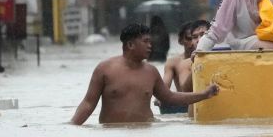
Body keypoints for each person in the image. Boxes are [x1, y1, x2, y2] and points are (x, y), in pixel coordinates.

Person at [70, 23, 219, 125]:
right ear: (130, 45)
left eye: (150, 41)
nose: (150, 45)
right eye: (146, 41)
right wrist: (72, 127)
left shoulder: (151, 72)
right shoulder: (104, 69)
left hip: (146, 135)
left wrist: (203, 94)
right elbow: (88, 103)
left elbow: (170, 97)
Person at [158, 19, 210, 114]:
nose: (198, 40)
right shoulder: (179, 63)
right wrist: (160, 98)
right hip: (188, 109)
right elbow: (185, 90)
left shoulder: (224, 57)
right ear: (180, 40)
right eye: (192, 37)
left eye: (203, 35)